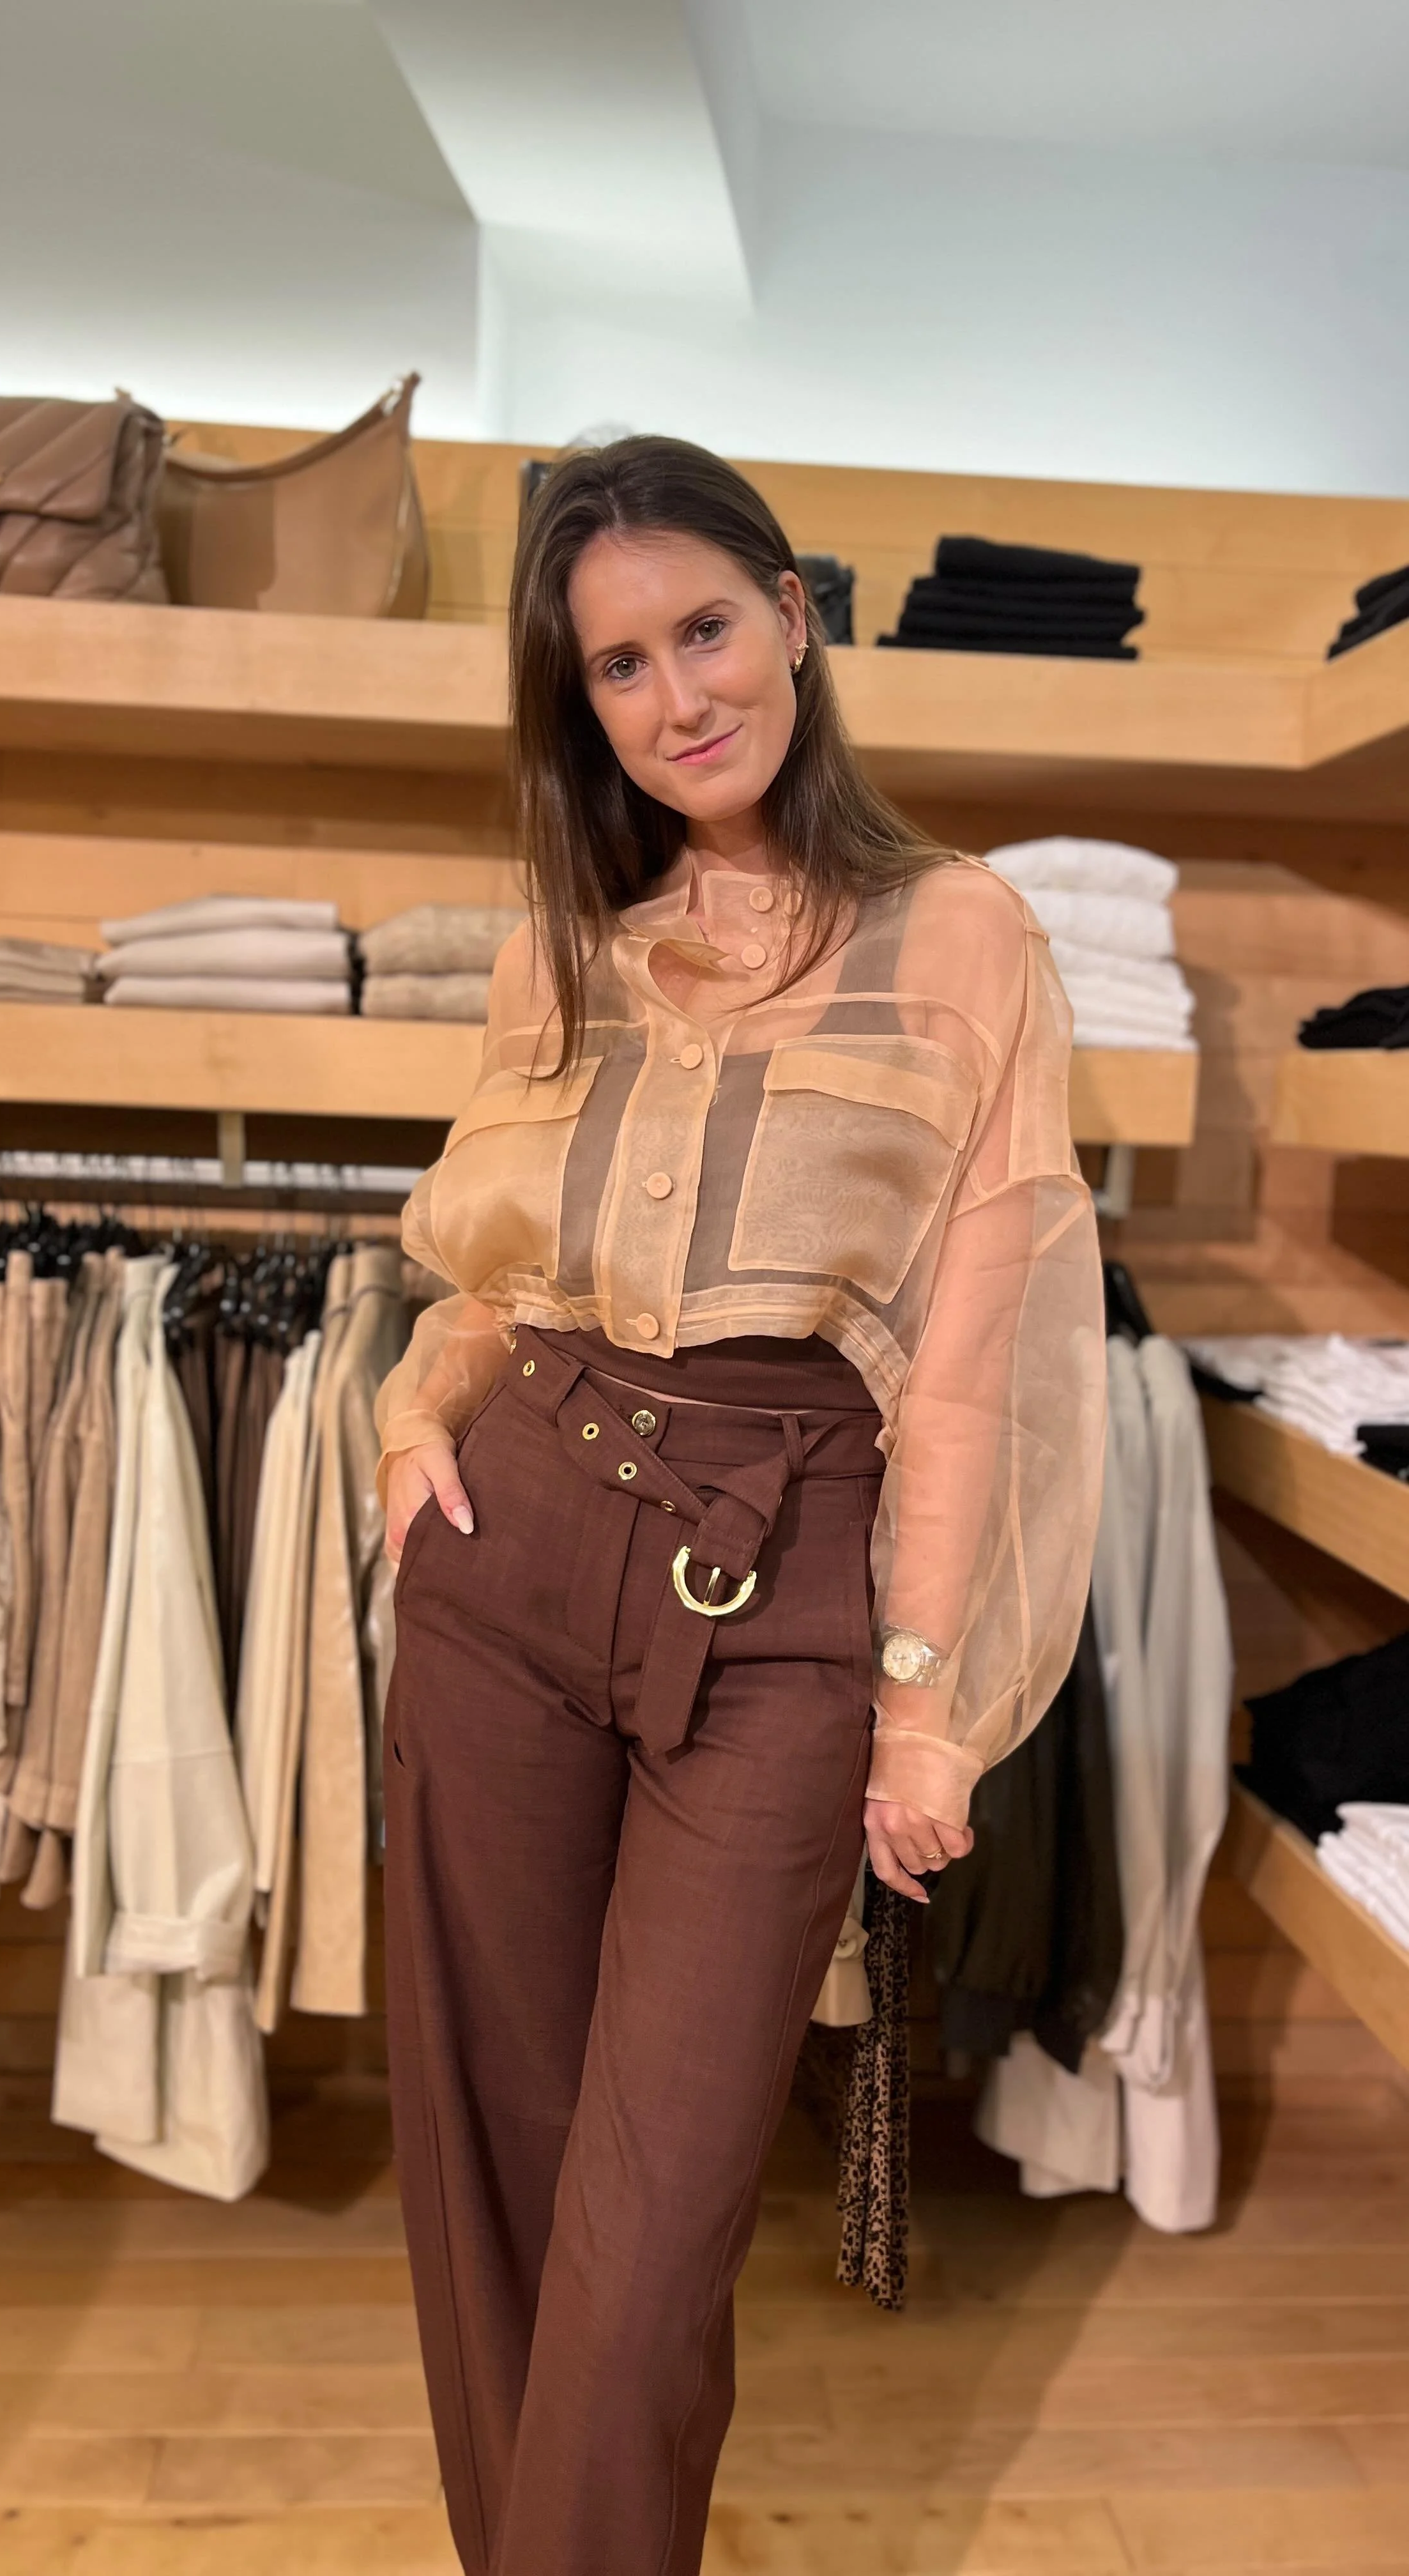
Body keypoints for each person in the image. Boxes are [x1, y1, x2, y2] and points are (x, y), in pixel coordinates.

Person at [376, 435, 1106, 2576]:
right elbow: (497, 1281)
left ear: (793, 615)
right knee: (495, 2164)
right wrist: (414, 1416)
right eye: (616, 665)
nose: (674, 696)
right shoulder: (565, 950)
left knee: (654, 2215)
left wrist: (923, 1707)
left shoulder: (961, 934)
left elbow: (975, 1370)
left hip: (782, 1598)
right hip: (512, 1553)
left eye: (701, 629)